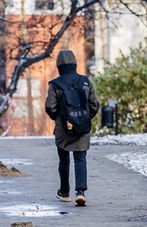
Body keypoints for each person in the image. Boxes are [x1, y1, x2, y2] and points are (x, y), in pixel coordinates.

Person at [45, 49, 99, 207]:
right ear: (75, 63)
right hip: (82, 126)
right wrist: (85, 118)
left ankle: (64, 192)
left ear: (59, 65)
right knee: (80, 159)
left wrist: (58, 118)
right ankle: (80, 192)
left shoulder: (55, 84)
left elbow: (50, 107)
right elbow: (95, 104)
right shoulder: (85, 81)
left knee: (63, 160)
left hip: (63, 127)